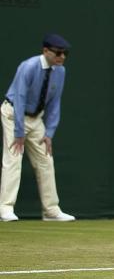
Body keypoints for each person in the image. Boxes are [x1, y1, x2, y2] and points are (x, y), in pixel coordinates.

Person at [0, 34, 76, 222]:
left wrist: (49, 132)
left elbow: (55, 103)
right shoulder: (28, 67)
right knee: (13, 159)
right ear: (45, 51)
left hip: (36, 120)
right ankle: (5, 209)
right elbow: (19, 98)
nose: (62, 57)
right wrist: (19, 132)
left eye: (65, 53)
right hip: (13, 115)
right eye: (58, 53)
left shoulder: (60, 71)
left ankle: (51, 211)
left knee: (45, 160)